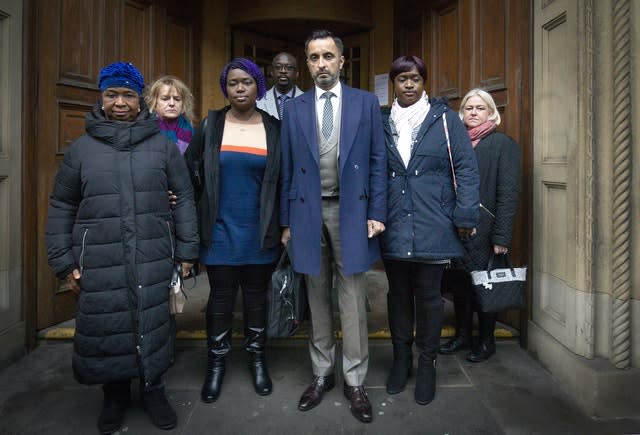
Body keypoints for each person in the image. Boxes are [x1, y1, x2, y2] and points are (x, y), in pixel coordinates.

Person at [45, 61, 199, 434]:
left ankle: (153, 390)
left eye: (127, 95)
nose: (119, 102)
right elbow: (61, 205)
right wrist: (64, 261)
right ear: (101, 97)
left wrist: (187, 252)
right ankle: (113, 394)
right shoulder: (81, 150)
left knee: (153, 320)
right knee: (108, 324)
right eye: (112, 94)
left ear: (139, 100)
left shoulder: (161, 148)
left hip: (152, 253)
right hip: (100, 258)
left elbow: (186, 197)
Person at [279, 30, 387, 424]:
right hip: (307, 213)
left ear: (342, 61)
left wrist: (378, 211)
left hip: (352, 213)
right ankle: (322, 373)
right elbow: (287, 169)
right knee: (316, 295)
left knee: (353, 298)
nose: (321, 64)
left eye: (328, 56)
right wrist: (286, 221)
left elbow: (377, 160)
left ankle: (355, 380)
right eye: (313, 57)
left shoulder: (365, 102)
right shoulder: (295, 108)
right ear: (306, 64)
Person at [381, 56, 480, 405]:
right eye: (402, 79)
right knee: (397, 295)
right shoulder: (382, 121)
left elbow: (466, 168)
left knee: (429, 298)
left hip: (434, 222)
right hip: (393, 223)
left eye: (415, 79)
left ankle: (427, 363)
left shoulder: (445, 120)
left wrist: (465, 214)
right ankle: (401, 359)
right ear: (393, 83)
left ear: (424, 82)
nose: (409, 85)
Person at [185, 58, 281, 404]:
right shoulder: (210, 125)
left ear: (259, 86)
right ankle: (216, 365)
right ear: (226, 88)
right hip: (220, 230)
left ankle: (257, 360)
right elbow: (188, 173)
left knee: (257, 299)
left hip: (261, 232)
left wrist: (284, 226)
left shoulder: (274, 127)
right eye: (233, 83)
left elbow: (283, 181)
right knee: (220, 300)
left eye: (247, 82)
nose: (240, 89)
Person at [438, 88, 521, 362]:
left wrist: (502, 237)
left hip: (486, 232)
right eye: (469, 108)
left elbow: (508, 195)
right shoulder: (455, 143)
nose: (473, 112)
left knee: (484, 286)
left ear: (491, 113)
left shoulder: (503, 145)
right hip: (457, 229)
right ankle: (462, 336)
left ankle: (486, 341)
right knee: (460, 287)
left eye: (480, 108)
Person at [145, 75, 195, 154]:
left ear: (183, 103)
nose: (172, 103)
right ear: (154, 102)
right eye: (165, 99)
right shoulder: (145, 127)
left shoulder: (191, 130)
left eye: (177, 99)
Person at [256, 52, 303, 120]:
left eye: (289, 67)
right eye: (278, 67)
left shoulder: (310, 102)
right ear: (272, 72)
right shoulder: (259, 101)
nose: (283, 71)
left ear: (297, 74)